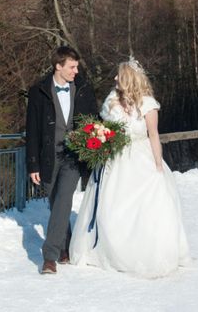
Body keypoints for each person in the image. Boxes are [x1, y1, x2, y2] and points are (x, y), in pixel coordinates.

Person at [70, 59, 191, 278]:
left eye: (118, 75)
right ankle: (113, 251)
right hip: (116, 160)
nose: (115, 78)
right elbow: (105, 128)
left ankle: (147, 252)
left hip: (141, 157)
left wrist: (157, 164)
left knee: (148, 206)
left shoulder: (148, 104)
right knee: (113, 207)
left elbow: (153, 135)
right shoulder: (111, 101)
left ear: (128, 78)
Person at [26, 45, 98, 275]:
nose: (76, 71)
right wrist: (33, 164)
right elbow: (33, 130)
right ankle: (65, 247)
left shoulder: (84, 89)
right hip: (47, 157)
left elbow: (93, 121)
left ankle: (50, 256)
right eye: (72, 67)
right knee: (56, 203)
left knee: (64, 198)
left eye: (76, 66)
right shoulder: (38, 91)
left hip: (73, 157)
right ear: (58, 66)